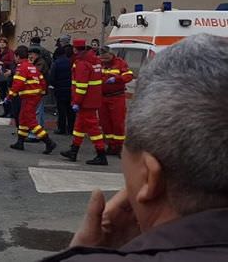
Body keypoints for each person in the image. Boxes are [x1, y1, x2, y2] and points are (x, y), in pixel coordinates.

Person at [43, 34, 228, 261]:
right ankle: (99, 147)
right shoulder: (97, 63)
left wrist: (83, 252)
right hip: (101, 100)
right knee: (101, 128)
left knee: (101, 128)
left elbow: (119, 77)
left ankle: (100, 150)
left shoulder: (104, 64)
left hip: (110, 98)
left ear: (150, 177)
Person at [61, 39, 107, 165]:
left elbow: (81, 86)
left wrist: (76, 101)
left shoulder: (82, 63)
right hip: (93, 99)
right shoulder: (95, 60)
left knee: (93, 129)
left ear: (75, 49)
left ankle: (101, 154)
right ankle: (73, 150)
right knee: (79, 127)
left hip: (85, 102)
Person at [4, 46, 57, 154]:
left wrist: (9, 96)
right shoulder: (31, 66)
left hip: (29, 97)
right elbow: (42, 80)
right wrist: (41, 92)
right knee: (23, 118)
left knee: (30, 121)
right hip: (34, 96)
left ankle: (48, 141)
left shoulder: (21, 67)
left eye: (15, 56)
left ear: (17, 56)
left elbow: (17, 84)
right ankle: (20, 142)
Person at [99, 46, 133, 156]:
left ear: (111, 54)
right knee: (105, 123)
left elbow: (129, 76)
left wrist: (117, 79)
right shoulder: (99, 63)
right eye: (102, 58)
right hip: (103, 97)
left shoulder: (120, 63)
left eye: (105, 58)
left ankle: (119, 146)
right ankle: (111, 145)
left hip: (117, 97)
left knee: (118, 123)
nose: (103, 60)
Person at [50, 44, 74, 135]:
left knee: (61, 110)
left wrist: (54, 85)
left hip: (59, 89)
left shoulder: (56, 63)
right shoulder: (70, 62)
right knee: (70, 110)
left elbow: (52, 77)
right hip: (70, 89)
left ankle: (62, 128)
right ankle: (71, 128)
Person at [0, 37, 16, 118]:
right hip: (0, 74)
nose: (2, 44)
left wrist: (3, 62)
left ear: (6, 44)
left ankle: (11, 112)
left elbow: (12, 62)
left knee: (8, 94)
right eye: (0, 42)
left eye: (3, 42)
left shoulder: (10, 52)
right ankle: (5, 111)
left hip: (7, 74)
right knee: (2, 94)